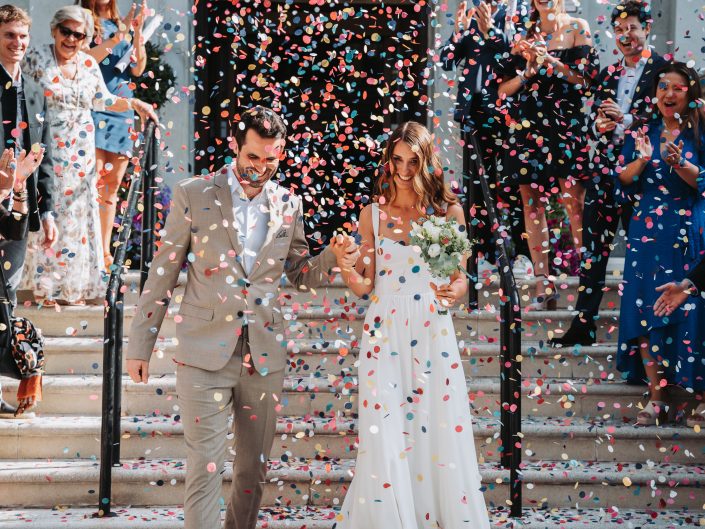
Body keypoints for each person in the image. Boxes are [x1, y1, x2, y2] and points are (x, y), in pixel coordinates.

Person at [126, 106, 358, 529]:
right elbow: (164, 270)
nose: (261, 168)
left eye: (271, 159)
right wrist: (141, 344)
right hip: (202, 351)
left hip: (264, 355)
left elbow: (299, 273)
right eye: (253, 157)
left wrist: (332, 258)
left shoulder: (290, 203)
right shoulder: (193, 193)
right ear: (234, 145)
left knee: (253, 470)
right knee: (205, 466)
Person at [332, 121, 490, 529]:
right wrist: (345, 265)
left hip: (430, 330)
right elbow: (364, 284)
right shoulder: (372, 214)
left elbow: (459, 277)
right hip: (384, 330)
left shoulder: (447, 212)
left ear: (426, 161)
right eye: (397, 160)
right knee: (383, 427)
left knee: (433, 425)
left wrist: (455, 293)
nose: (403, 169)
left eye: (413, 160)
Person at [19, 5, 157, 305]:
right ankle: (45, 288)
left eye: (79, 35)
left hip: (81, 152)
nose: (71, 39)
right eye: (66, 32)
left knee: (77, 217)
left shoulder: (88, 64)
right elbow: (20, 99)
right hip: (46, 148)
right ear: (55, 31)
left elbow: (104, 99)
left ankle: (74, 288)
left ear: (86, 38)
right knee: (50, 212)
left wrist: (135, 105)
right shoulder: (36, 58)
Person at [551, 0, 667, 347]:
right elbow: (596, 118)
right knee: (593, 250)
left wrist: (626, 120)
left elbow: (665, 119)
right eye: (619, 29)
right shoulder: (609, 72)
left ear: (646, 29)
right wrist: (599, 124)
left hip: (644, 175)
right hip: (604, 174)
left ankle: (646, 326)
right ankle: (584, 323)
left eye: (632, 27)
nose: (625, 35)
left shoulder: (664, 71)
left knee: (643, 252)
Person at [614, 62, 705, 426]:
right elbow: (622, 178)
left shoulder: (700, 132)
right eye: (663, 86)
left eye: (678, 87)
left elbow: (702, 181)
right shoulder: (642, 132)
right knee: (645, 306)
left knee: (689, 307)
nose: (669, 93)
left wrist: (680, 163)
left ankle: (694, 393)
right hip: (646, 230)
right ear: (654, 94)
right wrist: (642, 160)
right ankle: (656, 396)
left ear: (689, 93)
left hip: (687, 228)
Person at [496, 0, 599, 309]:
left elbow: (587, 81)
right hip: (528, 125)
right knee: (532, 205)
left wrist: (552, 63)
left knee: (573, 200)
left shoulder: (578, 28)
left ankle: (587, 283)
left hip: (565, 123)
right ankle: (543, 282)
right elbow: (503, 90)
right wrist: (528, 71)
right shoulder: (521, 35)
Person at [440, 0, 532, 275]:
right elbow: (446, 61)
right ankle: (483, 254)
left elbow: (517, 61)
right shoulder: (470, 9)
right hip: (473, 112)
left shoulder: (521, 10)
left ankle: (522, 255)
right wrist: (457, 30)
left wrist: (491, 30)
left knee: (513, 186)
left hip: (508, 111)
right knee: (477, 188)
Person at [0, 4, 53, 418]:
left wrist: (47, 211)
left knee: (7, 300)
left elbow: (45, 159)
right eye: (8, 36)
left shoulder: (34, 91)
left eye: (22, 36)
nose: (17, 43)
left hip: (20, 213)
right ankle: (25, 371)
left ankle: (23, 374)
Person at [80, 0, 149, 271]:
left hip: (122, 108)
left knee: (110, 190)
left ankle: (105, 254)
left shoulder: (122, 23)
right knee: (92, 183)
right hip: (97, 105)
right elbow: (85, 59)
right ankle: (87, 252)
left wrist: (137, 33)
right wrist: (117, 37)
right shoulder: (84, 20)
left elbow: (138, 69)